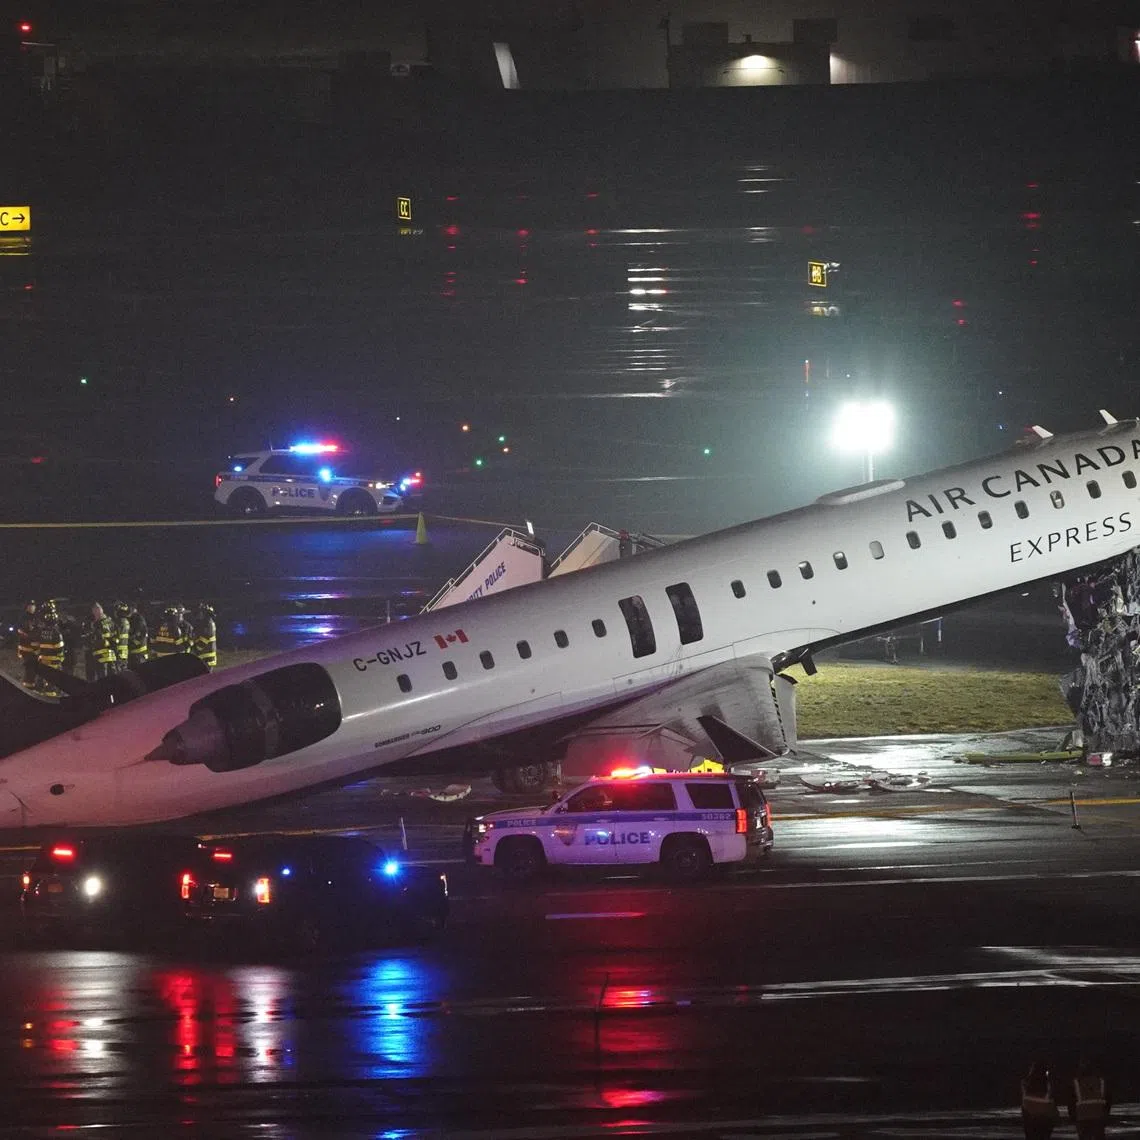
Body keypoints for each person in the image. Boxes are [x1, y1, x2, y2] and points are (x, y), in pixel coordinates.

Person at [1069, 1057, 1110, 1140]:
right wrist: (1106, 1115)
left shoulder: (1076, 1082)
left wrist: (1073, 1118)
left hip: (1082, 1117)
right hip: (1098, 1116)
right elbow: (1108, 1100)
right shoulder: (1101, 1081)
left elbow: (1071, 1102)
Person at [1020, 1059, 1059, 1140]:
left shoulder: (1025, 1083)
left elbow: (1024, 1101)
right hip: (1044, 1118)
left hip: (1030, 1118)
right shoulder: (1047, 1084)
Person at [34, 600, 65, 693]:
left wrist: (38, 655)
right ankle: (51, 695)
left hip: (42, 660)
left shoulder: (40, 631)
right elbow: (59, 648)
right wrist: (60, 659)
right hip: (54, 662)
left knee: (41, 680)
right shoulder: (56, 633)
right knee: (53, 683)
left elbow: (36, 645)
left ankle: (39, 694)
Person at [84, 602, 116, 681]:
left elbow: (96, 638)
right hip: (109, 654)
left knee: (103, 677)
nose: (94, 614)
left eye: (95, 612)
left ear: (98, 611)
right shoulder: (110, 621)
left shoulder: (98, 624)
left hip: (102, 655)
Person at [190, 602, 217, 670]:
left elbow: (206, 637)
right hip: (205, 654)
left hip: (206, 655)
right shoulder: (205, 622)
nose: (199, 614)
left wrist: (197, 648)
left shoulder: (208, 623)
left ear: (205, 613)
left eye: (200, 612)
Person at [16, 600, 37, 688]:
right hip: (26, 648)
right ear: (27, 607)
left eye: (33, 606)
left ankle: (31, 684)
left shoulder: (36, 617)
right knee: (29, 667)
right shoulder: (23, 618)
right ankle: (28, 685)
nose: (32, 608)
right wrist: (27, 635)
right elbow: (20, 630)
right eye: (30, 606)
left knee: (33, 667)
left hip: (34, 648)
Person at [127, 602, 149, 668]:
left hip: (139, 652)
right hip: (133, 652)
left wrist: (132, 640)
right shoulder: (132, 618)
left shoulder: (138, 619)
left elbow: (139, 633)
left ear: (133, 609)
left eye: (129, 609)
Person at [112, 602, 131, 673]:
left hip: (118, 650)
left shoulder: (118, 622)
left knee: (118, 670)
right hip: (125, 650)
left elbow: (115, 636)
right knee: (124, 670)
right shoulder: (126, 621)